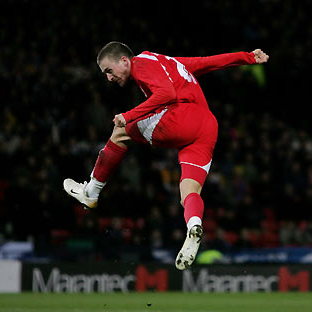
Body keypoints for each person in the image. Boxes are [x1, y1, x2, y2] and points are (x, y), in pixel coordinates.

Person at [63, 41, 269, 270]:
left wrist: (128, 115)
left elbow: (166, 93)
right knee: (189, 193)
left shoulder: (139, 63)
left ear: (124, 60)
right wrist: (247, 57)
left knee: (120, 132)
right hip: (207, 125)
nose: (109, 78)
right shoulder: (169, 63)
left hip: (183, 117)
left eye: (108, 71)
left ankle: (91, 192)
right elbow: (207, 63)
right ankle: (194, 226)